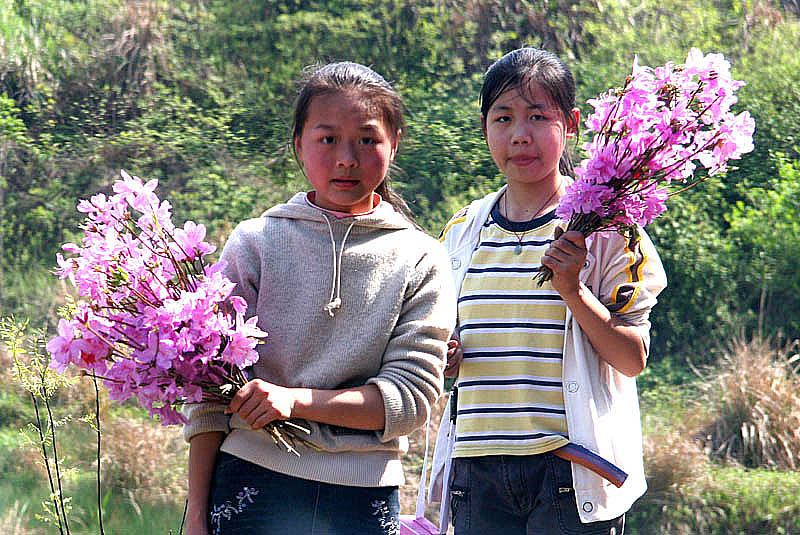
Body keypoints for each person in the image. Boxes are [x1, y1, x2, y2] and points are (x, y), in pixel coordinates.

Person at [183, 61, 456, 535]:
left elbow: (410, 401)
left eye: (367, 140)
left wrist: (296, 400)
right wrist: (195, 514)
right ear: (298, 146)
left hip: (364, 498)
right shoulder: (255, 244)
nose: (346, 158)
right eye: (327, 139)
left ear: (394, 146)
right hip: (253, 484)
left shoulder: (422, 258)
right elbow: (209, 391)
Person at [431, 47, 667, 535]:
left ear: (573, 123)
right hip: (477, 471)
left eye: (538, 116)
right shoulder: (461, 232)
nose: (520, 135)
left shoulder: (607, 231)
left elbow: (632, 357)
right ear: (484, 128)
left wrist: (573, 291)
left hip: (568, 472)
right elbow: (440, 351)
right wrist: (443, 360)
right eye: (504, 118)